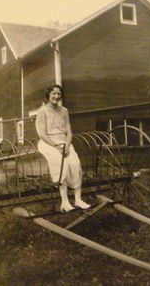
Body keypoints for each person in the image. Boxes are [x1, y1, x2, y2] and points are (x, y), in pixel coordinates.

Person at [35, 84, 90, 212]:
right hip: (48, 143)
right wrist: (57, 147)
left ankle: (78, 200)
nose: (56, 96)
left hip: (64, 142)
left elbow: (69, 132)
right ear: (48, 95)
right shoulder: (42, 111)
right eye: (53, 93)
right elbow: (42, 134)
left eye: (58, 94)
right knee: (62, 165)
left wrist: (67, 145)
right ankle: (64, 202)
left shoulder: (64, 110)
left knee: (75, 164)